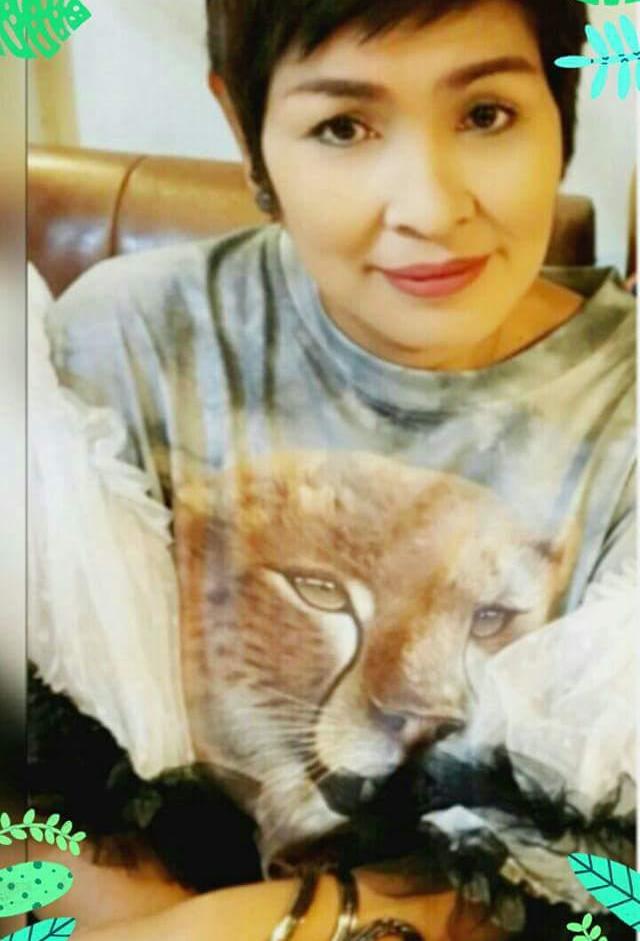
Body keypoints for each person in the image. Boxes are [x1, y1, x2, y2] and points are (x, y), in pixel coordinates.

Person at [30, 0, 636, 938]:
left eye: (485, 115)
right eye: (344, 126)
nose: (430, 209)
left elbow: (600, 880)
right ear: (246, 131)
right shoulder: (131, 345)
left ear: (561, 108)